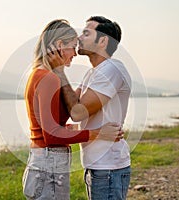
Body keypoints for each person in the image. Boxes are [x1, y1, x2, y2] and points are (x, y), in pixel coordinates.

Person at [22, 19, 123, 200]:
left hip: (42, 162)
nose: (75, 54)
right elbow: (51, 135)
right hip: (49, 164)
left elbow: (54, 122)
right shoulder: (49, 79)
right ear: (60, 45)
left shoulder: (37, 74)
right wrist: (98, 133)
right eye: (72, 46)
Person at [49, 16, 132, 200]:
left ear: (102, 41)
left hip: (108, 167)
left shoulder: (112, 69)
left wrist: (59, 72)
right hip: (98, 166)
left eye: (87, 33)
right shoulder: (93, 73)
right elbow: (71, 105)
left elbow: (78, 112)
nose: (79, 37)